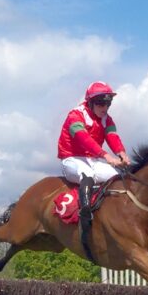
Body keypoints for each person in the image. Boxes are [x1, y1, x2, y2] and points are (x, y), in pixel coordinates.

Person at [57, 81, 133, 221]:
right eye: (100, 104)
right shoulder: (75, 115)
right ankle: (85, 214)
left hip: (93, 159)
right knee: (88, 175)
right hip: (72, 158)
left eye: (108, 104)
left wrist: (122, 154)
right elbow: (83, 139)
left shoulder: (106, 119)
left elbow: (112, 137)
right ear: (90, 102)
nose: (105, 108)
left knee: (120, 176)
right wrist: (106, 156)